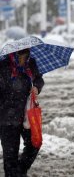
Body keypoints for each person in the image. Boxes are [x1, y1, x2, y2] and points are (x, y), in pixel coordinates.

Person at [0, 48, 44, 177]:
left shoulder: (31, 63)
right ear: (14, 54)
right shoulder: (3, 65)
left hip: (26, 114)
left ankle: (19, 172)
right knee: (10, 155)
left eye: (26, 56)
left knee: (35, 143)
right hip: (6, 116)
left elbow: (39, 79)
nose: (23, 60)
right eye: (21, 57)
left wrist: (36, 87)